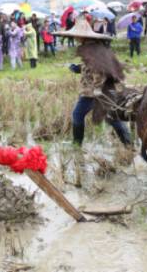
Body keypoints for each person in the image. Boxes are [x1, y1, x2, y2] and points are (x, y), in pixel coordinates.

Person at [54, 18, 131, 186]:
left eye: (76, 36)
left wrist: (97, 90)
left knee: (80, 115)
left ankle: (77, 145)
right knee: (111, 118)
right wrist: (78, 69)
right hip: (98, 90)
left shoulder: (92, 49)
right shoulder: (92, 47)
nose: (75, 39)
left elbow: (101, 70)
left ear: (81, 36)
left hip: (96, 91)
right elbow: (91, 67)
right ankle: (128, 145)